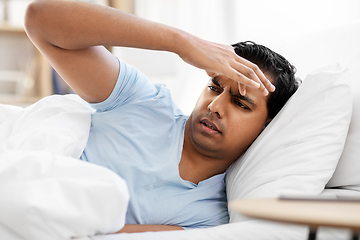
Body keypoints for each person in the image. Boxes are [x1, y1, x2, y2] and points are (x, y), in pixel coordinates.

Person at [24, 0, 299, 234]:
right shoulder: (144, 101)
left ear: (266, 128)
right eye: (214, 87)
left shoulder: (208, 218)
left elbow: (84, 232)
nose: (215, 105)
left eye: (240, 103)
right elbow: (40, 19)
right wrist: (182, 42)